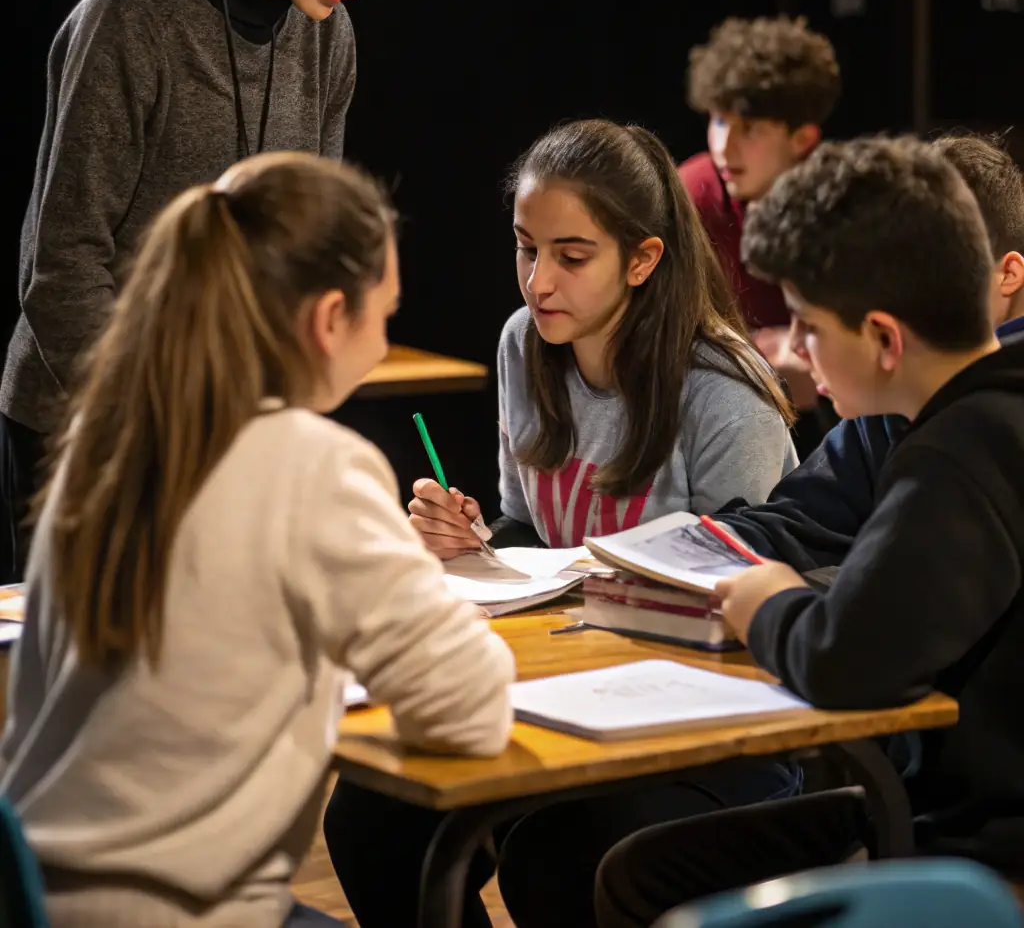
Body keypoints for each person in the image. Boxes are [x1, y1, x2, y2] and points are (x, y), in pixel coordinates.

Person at [0, 152, 513, 928]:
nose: (383, 344)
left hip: (38, 894)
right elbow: (470, 708)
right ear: (328, 318)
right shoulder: (317, 464)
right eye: (385, 314)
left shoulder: (106, 445)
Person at [325, 119, 800, 928]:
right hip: (577, 686)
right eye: (525, 247)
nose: (538, 281)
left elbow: (751, 594)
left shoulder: (722, 392)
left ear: (643, 260)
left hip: (708, 719)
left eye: (571, 257)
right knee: (370, 818)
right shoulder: (525, 345)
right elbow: (528, 529)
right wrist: (474, 544)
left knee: (560, 854)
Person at [594, 136, 1024, 928]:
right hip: (944, 808)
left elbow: (847, 658)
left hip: (978, 846)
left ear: (887, 339)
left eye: (811, 328)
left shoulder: (960, 451)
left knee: (640, 876)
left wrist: (769, 604)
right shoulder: (959, 421)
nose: (795, 352)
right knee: (630, 864)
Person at [0, 0, 420, 581]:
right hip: (95, 427)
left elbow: (308, 260)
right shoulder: (132, 14)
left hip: (227, 438)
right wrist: (169, 430)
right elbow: (60, 267)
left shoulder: (331, 41)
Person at [714, 130, 1024, 571]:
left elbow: (872, 624)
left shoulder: (975, 432)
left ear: (1005, 272)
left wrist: (774, 606)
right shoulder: (893, 393)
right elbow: (802, 518)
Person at [679, 15, 841, 420]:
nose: (723, 147)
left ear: (802, 138)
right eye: (718, 120)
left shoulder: (839, 207)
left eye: (748, 129)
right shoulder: (692, 192)